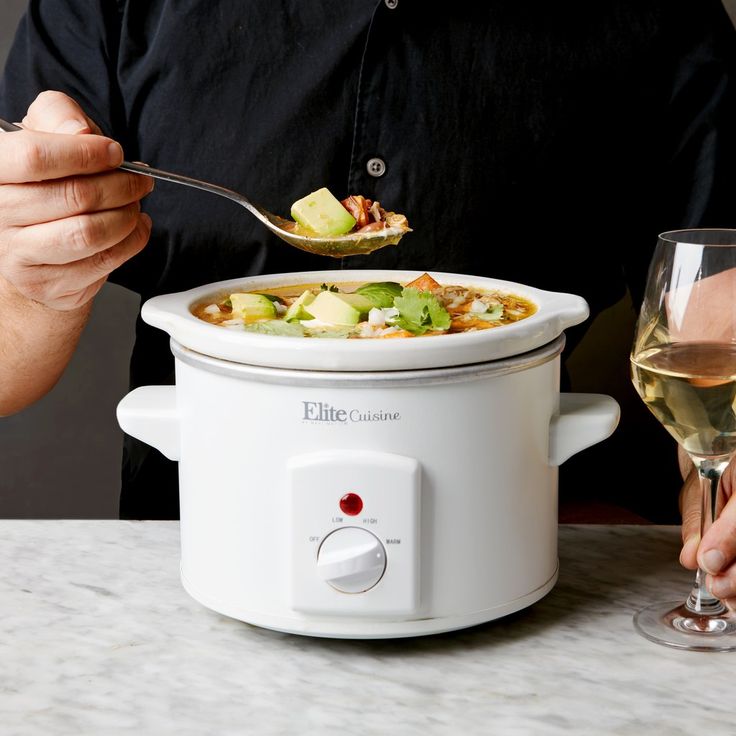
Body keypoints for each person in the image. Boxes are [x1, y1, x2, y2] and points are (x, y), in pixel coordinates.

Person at [1, 1, 736, 601]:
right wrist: (33, 278)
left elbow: (715, 304)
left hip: (519, 546)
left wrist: (724, 469)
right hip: (190, 548)